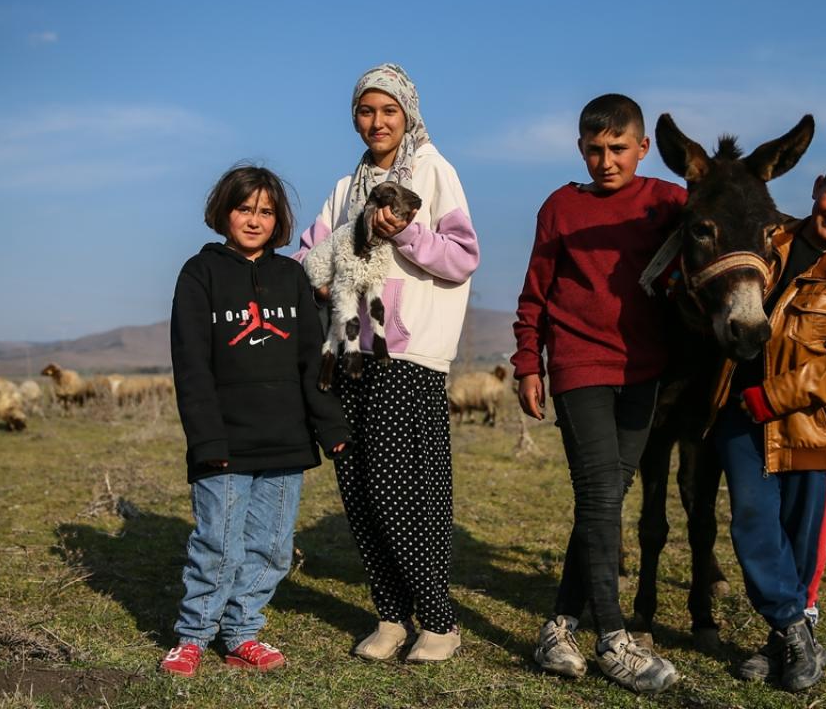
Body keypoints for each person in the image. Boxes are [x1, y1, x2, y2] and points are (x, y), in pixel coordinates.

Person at [294, 63, 479, 663]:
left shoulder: (433, 170)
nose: (377, 122)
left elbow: (461, 255)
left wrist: (400, 235)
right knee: (358, 487)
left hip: (409, 353)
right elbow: (308, 255)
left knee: (403, 487)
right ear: (355, 117)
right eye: (366, 111)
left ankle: (440, 620)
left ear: (408, 114)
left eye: (388, 111)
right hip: (350, 354)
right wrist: (319, 281)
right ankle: (392, 615)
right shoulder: (346, 187)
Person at [511, 93, 685, 695]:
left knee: (604, 500)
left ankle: (557, 626)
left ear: (642, 148)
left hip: (643, 370)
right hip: (579, 363)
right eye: (594, 149)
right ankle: (614, 640)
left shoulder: (667, 202)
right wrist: (527, 362)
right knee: (600, 493)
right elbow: (535, 291)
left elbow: (728, 216)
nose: (606, 161)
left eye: (618, 149)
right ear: (580, 149)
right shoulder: (560, 207)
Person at [161, 164, 350, 677]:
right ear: (224, 211)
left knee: (270, 545)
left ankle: (243, 630)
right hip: (224, 439)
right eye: (245, 209)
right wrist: (206, 438)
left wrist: (329, 427)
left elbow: (313, 360)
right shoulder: (199, 274)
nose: (254, 220)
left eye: (266, 211)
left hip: (286, 440)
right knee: (217, 541)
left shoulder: (291, 277)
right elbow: (191, 364)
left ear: (279, 220)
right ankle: (194, 635)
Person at [713, 155, 826, 692]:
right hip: (740, 417)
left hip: (808, 426)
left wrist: (775, 396)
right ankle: (794, 630)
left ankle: (781, 641)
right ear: (817, 188)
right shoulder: (767, 239)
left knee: (800, 538)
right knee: (751, 523)